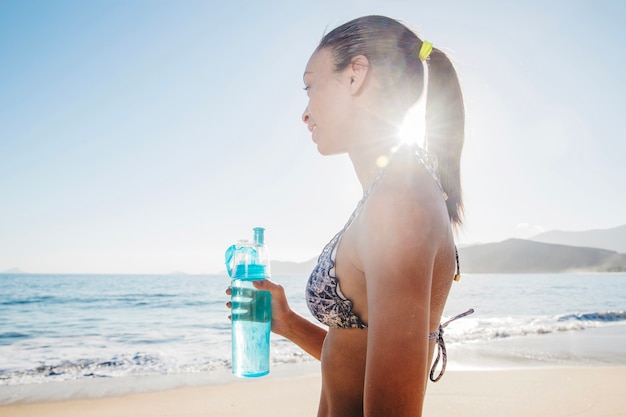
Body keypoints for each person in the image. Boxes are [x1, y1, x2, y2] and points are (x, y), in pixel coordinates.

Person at [227, 15, 471, 417]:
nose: (305, 113)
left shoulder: (401, 205)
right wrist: (286, 321)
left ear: (355, 75)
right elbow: (353, 356)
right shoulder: (387, 193)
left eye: (311, 87)